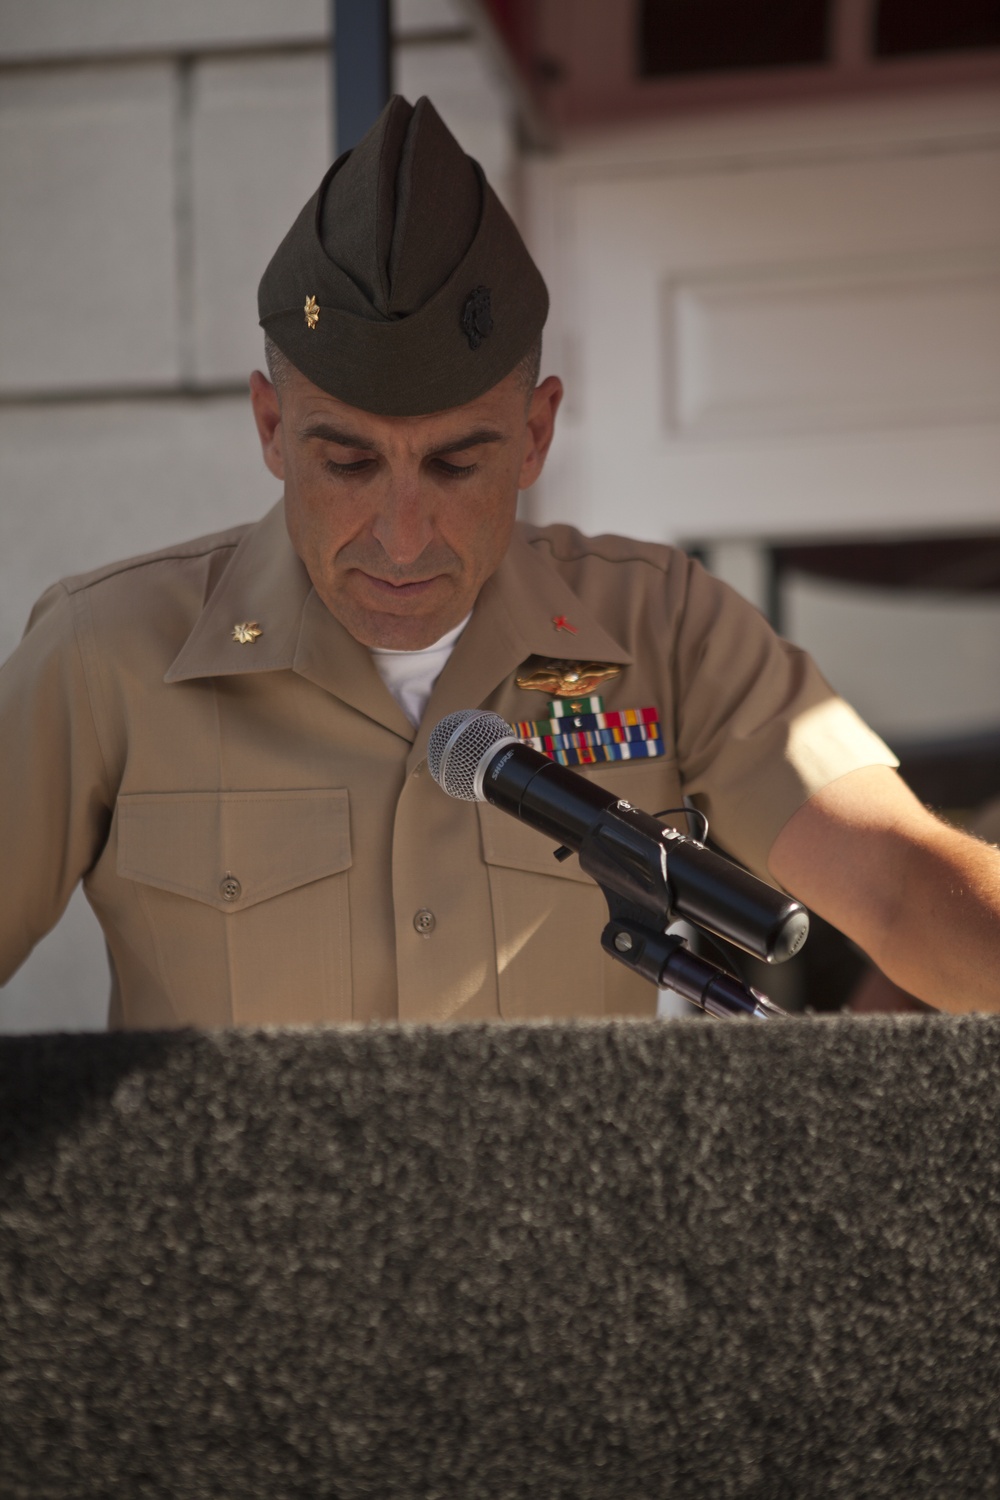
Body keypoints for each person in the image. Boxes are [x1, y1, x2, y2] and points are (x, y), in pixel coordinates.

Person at [2, 95, 999, 1029]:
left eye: (455, 462)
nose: (401, 534)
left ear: (534, 434)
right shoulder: (109, 654)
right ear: (271, 427)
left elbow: (904, 892)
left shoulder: (664, 628)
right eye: (345, 460)